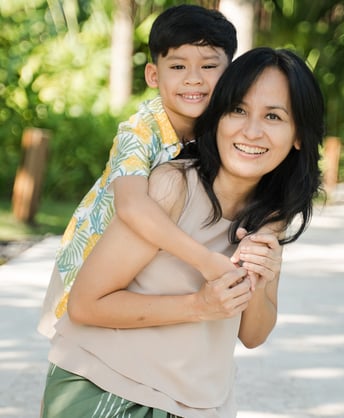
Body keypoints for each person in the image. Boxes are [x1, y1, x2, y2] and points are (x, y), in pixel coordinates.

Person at [40, 47, 325, 418]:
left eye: (273, 116)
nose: (251, 131)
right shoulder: (173, 187)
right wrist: (199, 306)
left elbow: (254, 335)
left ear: (299, 135)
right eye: (237, 110)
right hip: (108, 389)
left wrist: (261, 275)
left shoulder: (272, 214)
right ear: (217, 116)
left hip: (201, 404)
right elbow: (85, 305)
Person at [38, 4, 248, 338]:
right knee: (83, 348)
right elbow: (132, 206)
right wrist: (205, 261)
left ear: (230, 73)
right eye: (178, 66)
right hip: (93, 264)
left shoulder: (222, 129)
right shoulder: (138, 133)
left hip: (146, 267)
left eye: (209, 66)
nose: (194, 78)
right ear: (153, 75)